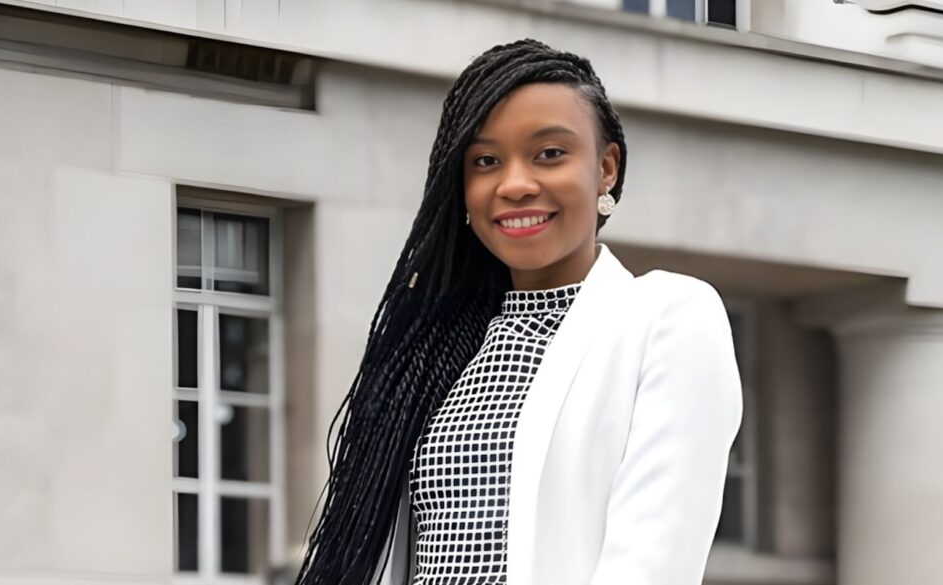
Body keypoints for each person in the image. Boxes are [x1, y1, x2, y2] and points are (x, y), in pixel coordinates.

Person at [294, 38, 743, 585]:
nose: (514, 185)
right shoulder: (440, 346)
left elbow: (652, 566)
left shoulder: (667, 317)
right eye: (485, 161)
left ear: (606, 168)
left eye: (549, 154)